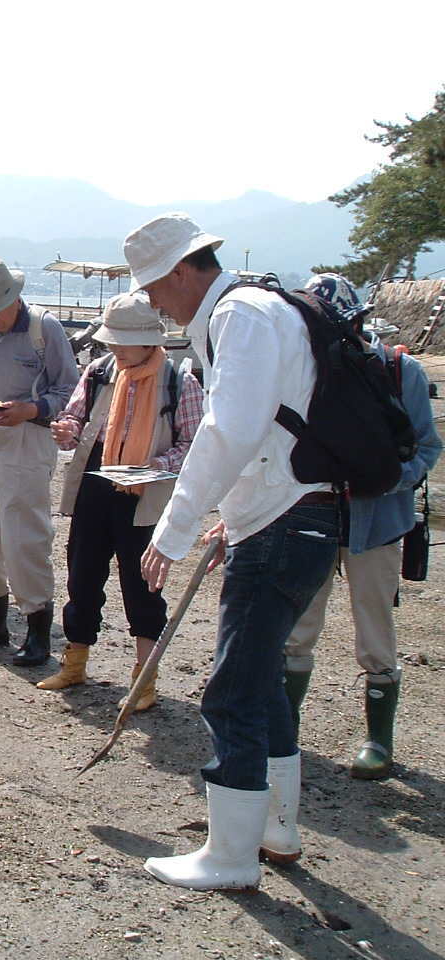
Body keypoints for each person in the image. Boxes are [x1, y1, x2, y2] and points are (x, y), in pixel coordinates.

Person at [130, 212, 340, 891]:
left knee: (232, 693)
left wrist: (177, 525)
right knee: (262, 683)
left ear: (185, 270)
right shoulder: (258, 308)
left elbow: (232, 428)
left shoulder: (239, 315)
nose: (156, 304)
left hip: (286, 525)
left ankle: (230, 858)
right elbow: (270, 433)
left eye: (157, 289)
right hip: (296, 517)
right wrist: (233, 520)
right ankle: (276, 831)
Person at [282, 273, 441, 780]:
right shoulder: (301, 369)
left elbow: (427, 445)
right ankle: (283, 729)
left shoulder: (399, 371)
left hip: (378, 522)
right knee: (298, 624)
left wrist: (391, 479)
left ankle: (378, 739)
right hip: (312, 516)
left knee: (375, 627)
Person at [43, 293, 203, 703]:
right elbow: (75, 418)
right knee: (82, 577)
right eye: (112, 340)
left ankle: (143, 681)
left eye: (121, 341)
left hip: (145, 499)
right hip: (95, 489)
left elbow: (194, 444)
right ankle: (74, 665)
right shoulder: (99, 371)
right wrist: (66, 431)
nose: (114, 348)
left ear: (149, 340)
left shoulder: (178, 381)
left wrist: (157, 462)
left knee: (142, 586)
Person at [0, 256, 78, 664]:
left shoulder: (45, 328)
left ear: (15, 299)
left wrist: (33, 409)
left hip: (28, 438)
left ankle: (38, 629)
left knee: (24, 535)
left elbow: (70, 390)